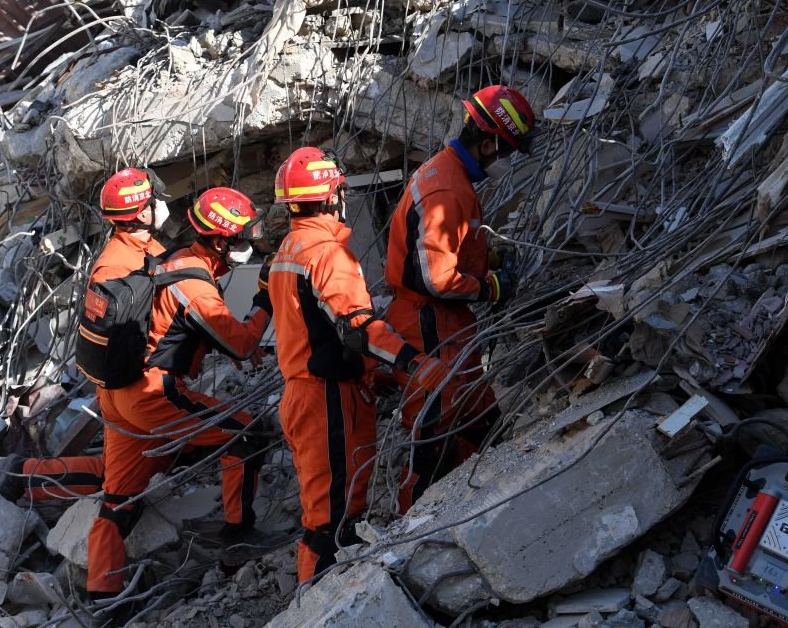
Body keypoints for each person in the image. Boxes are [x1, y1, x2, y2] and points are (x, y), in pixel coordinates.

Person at [266, 146, 450, 582]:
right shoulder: (326, 252)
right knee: (332, 519)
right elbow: (357, 326)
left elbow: (316, 329)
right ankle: (319, 604)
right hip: (326, 398)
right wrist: (412, 362)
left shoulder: (289, 248)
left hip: (307, 392)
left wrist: (370, 372)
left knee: (330, 510)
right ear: (332, 196)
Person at [86, 186, 272, 603]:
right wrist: (265, 300)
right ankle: (237, 540)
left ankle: (100, 597)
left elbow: (191, 329)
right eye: (242, 237)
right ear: (221, 241)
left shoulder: (171, 257)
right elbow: (239, 343)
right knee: (247, 434)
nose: (248, 244)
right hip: (153, 393)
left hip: (117, 392)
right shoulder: (196, 286)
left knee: (119, 499)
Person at [383, 85, 536, 511]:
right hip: (428, 322)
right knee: (433, 428)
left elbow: (446, 249)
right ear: (487, 144)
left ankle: (484, 503)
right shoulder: (446, 191)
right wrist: (491, 286)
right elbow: (436, 277)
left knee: (480, 417)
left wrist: (486, 256)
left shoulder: (450, 175)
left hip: (447, 321)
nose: (507, 162)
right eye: (506, 153)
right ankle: (407, 527)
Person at [0, 168, 170, 502]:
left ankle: (23, 475)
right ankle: (25, 476)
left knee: (116, 470)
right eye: (153, 202)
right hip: (135, 384)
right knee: (121, 479)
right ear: (143, 212)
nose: (160, 206)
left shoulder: (130, 251)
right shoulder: (124, 266)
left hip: (121, 382)